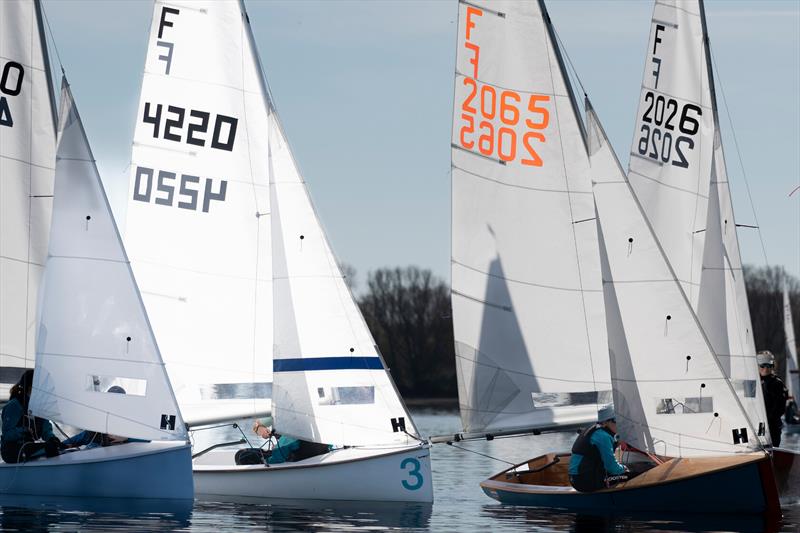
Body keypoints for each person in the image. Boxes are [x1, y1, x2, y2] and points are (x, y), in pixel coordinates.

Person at [1, 370, 61, 463]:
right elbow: (7, 434)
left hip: (28, 447)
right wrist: (23, 431)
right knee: (51, 449)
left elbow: (46, 429)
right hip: (11, 452)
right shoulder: (14, 405)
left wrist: (51, 438)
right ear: (30, 388)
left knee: (55, 446)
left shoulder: (39, 406)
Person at [568, 405, 628, 492]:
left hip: (577, 478)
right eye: (616, 420)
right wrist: (624, 468)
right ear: (604, 423)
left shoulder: (596, 430)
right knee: (634, 474)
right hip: (584, 481)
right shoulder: (603, 436)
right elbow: (612, 468)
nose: (620, 424)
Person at [61, 386, 138, 449]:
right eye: (111, 400)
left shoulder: (130, 421)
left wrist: (127, 438)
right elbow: (80, 438)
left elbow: (148, 439)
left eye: (117, 400)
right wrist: (62, 445)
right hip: (96, 456)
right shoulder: (97, 427)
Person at [234, 417, 330, 465]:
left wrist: (264, 460)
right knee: (242, 453)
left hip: (287, 455)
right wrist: (260, 428)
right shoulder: (305, 421)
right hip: (321, 451)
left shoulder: (288, 437)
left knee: (243, 456)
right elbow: (257, 425)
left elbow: (276, 459)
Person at [758, 351, 789, 447]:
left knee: (770, 448)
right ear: (757, 366)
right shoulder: (753, 382)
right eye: (763, 365)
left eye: (769, 365)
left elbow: (780, 408)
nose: (766, 368)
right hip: (756, 426)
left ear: (773, 366)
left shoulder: (777, 383)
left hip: (772, 426)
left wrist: (767, 419)